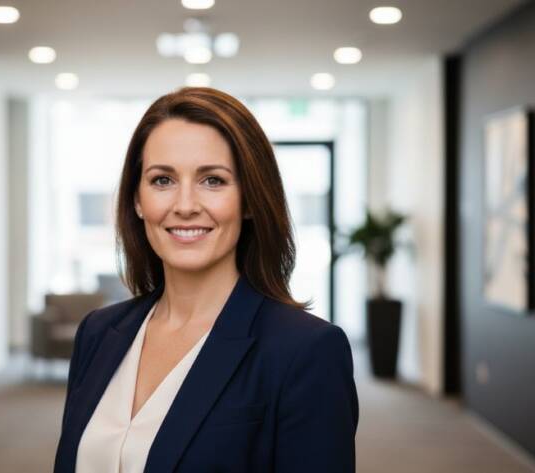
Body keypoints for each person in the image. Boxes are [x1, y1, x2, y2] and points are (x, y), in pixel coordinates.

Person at [54, 87, 358, 473]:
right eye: (162, 180)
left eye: (212, 181)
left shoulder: (306, 350)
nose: (184, 206)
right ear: (137, 200)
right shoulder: (98, 333)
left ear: (249, 200)